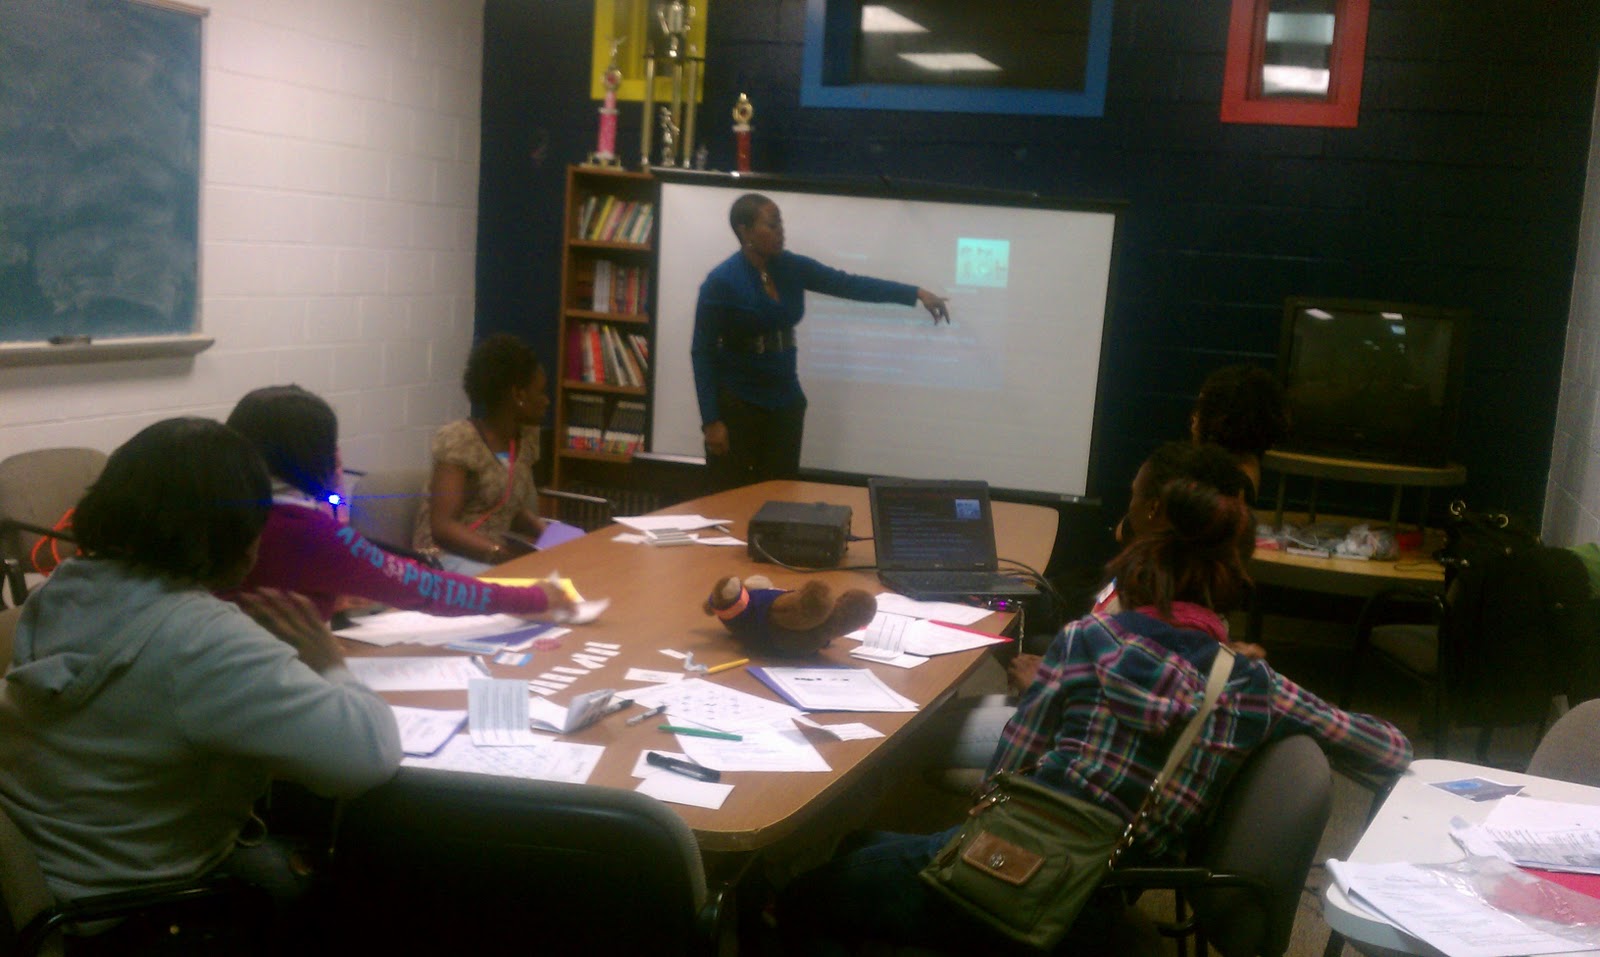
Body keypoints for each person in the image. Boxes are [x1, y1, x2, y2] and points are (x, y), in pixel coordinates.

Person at [778, 444, 1412, 955]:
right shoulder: (1252, 685)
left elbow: (1001, 778)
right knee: (860, 847)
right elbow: (1389, 749)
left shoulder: (1090, 639)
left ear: (1143, 557)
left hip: (1006, 882)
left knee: (799, 896)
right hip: (1105, 899)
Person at [0, 418, 402, 941]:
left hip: (46, 876)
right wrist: (326, 657)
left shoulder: (63, 590)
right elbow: (365, 758)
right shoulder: (200, 639)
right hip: (125, 910)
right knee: (355, 891)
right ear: (238, 537)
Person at [225, 384, 570, 622]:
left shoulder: (221, 512)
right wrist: (534, 598)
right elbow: (428, 589)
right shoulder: (309, 533)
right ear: (318, 456)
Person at [692, 193, 950, 490]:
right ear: (745, 231)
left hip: (785, 403)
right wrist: (711, 421)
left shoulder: (791, 267)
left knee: (779, 497)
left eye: (781, 224)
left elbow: (849, 284)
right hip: (739, 404)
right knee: (732, 498)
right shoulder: (721, 281)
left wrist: (915, 293)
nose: (781, 232)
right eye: (772, 225)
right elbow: (702, 352)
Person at [414, 333, 550, 575]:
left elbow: (503, 505)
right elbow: (443, 527)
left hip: (490, 556)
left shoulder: (525, 439)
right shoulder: (460, 440)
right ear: (518, 395)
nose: (547, 401)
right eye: (540, 392)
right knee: (531, 586)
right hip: (443, 558)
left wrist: (547, 533)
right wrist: (501, 554)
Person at [1190, 363, 1288, 496]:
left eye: (1202, 409)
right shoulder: (1249, 461)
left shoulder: (1224, 484)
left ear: (1220, 420)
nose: (1194, 417)